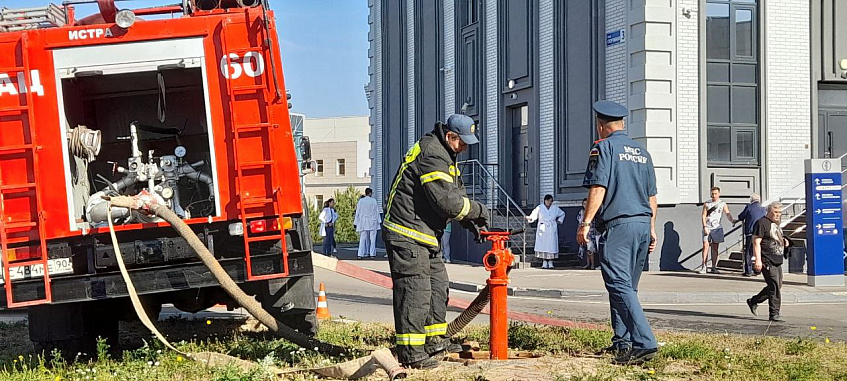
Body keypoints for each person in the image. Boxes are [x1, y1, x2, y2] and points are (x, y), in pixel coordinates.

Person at [382, 114, 489, 369]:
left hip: (425, 235)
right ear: (451, 137)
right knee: (415, 293)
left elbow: (454, 194)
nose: (464, 148)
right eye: (462, 143)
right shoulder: (432, 153)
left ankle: (434, 342)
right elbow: (447, 203)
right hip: (407, 234)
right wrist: (480, 211)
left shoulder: (445, 154)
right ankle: (411, 354)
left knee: (438, 288)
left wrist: (473, 224)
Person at [577, 100, 658, 365]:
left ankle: (644, 342)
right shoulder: (642, 153)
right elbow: (652, 196)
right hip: (643, 224)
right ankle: (622, 342)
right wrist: (653, 228)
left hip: (619, 226)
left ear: (600, 125)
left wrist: (585, 223)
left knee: (618, 284)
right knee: (626, 287)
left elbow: (598, 187)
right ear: (623, 123)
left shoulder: (603, 148)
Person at [746, 202, 790, 322]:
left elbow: (776, 237)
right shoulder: (762, 223)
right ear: (769, 212)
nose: (778, 215)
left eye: (779, 212)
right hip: (767, 260)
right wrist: (758, 260)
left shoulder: (776, 224)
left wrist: (785, 241)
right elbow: (756, 242)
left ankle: (754, 301)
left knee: (776, 285)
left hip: (777, 259)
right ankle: (774, 313)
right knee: (774, 285)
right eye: (775, 212)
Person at [701, 187, 737, 274]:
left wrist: (732, 220)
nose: (714, 196)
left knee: (715, 247)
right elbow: (703, 215)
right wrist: (705, 226)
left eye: (716, 194)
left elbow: (727, 213)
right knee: (705, 246)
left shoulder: (722, 204)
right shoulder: (707, 203)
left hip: (717, 228)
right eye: (712, 194)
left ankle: (714, 266)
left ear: (719, 194)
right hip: (708, 227)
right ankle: (704, 266)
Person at [526, 195, 566, 269]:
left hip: (551, 227)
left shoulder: (555, 208)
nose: (549, 202)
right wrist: (531, 218)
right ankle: (544, 261)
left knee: (551, 244)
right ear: (545, 200)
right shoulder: (540, 207)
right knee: (543, 245)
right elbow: (534, 214)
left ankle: (550, 261)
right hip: (543, 227)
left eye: (551, 201)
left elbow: (562, 214)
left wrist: (559, 221)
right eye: (548, 201)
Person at [737, 193, 766, 276]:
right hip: (760, 233)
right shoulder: (763, 209)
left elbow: (741, 217)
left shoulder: (749, 207)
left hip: (750, 232)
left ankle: (748, 270)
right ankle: (759, 270)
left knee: (749, 252)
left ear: (751, 200)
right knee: (759, 251)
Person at [354, 188, 381, 259]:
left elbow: (357, 212)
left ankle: (360, 254)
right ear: (370, 193)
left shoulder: (361, 201)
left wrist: (356, 222)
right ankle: (372, 253)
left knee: (362, 239)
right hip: (372, 222)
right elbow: (377, 212)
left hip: (363, 222)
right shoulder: (373, 201)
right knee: (372, 239)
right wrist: (379, 221)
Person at [577, 197, 599, 270]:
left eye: (587, 203)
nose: (585, 205)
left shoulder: (592, 211)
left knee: (591, 249)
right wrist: (578, 232)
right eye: (584, 204)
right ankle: (588, 263)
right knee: (585, 249)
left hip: (591, 232)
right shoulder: (581, 212)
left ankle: (593, 264)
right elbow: (579, 223)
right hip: (583, 232)